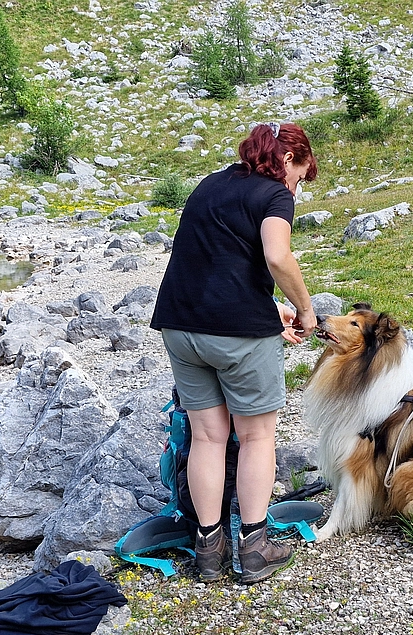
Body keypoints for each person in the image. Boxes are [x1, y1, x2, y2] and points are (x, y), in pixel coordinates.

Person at [150, 122, 318, 584]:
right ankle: (256, 546)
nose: (297, 189)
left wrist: (269, 313)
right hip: (237, 335)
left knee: (207, 437)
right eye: (301, 177)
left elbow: (219, 263)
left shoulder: (212, 184)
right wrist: (304, 309)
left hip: (181, 326)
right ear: (288, 160)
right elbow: (277, 257)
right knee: (257, 437)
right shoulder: (274, 194)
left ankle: (208, 549)